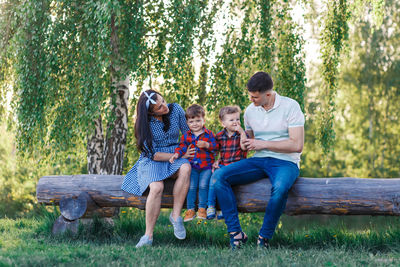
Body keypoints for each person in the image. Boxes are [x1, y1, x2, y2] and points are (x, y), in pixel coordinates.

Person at [213, 72, 305, 250]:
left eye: (255, 97)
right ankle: (236, 233)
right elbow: (249, 143)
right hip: (259, 160)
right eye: (250, 95)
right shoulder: (249, 111)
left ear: (268, 95)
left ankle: (264, 237)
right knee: (219, 177)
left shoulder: (291, 106)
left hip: (286, 162)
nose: (251, 99)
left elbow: (297, 145)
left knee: (279, 189)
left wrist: (262, 144)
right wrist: (226, 154)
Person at [121, 90, 195, 248]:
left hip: (176, 153)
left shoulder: (175, 110)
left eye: (163, 101)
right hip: (155, 158)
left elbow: (188, 134)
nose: (164, 107)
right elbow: (151, 154)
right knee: (156, 187)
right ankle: (148, 236)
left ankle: (176, 216)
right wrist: (172, 156)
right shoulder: (143, 124)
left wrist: (187, 151)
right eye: (159, 107)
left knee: (186, 168)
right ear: (149, 113)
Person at [170, 104, 217, 222]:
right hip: (192, 167)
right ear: (187, 122)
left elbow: (216, 147)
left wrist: (207, 145)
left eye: (198, 120)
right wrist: (176, 154)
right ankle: (190, 210)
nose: (195, 124)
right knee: (191, 187)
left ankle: (202, 208)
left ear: (203, 120)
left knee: (203, 185)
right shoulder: (186, 136)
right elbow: (181, 147)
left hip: (206, 167)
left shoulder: (209, 134)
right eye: (191, 121)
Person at [207, 105, 248, 220]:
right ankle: (210, 205)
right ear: (223, 123)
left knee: (228, 184)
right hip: (224, 164)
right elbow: (215, 150)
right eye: (231, 120)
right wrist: (215, 161)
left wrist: (242, 132)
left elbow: (244, 147)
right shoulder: (219, 136)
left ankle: (224, 209)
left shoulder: (242, 134)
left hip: (237, 166)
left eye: (237, 119)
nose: (235, 122)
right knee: (213, 177)